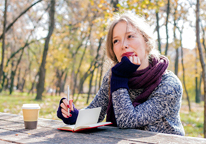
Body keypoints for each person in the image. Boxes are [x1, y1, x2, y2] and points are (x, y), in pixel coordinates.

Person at [57, 12, 185, 136]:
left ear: (146, 42)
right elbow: (95, 113)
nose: (123, 45)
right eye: (116, 41)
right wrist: (73, 115)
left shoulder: (169, 84)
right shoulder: (113, 75)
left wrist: (119, 77)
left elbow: (128, 121)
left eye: (130, 36)